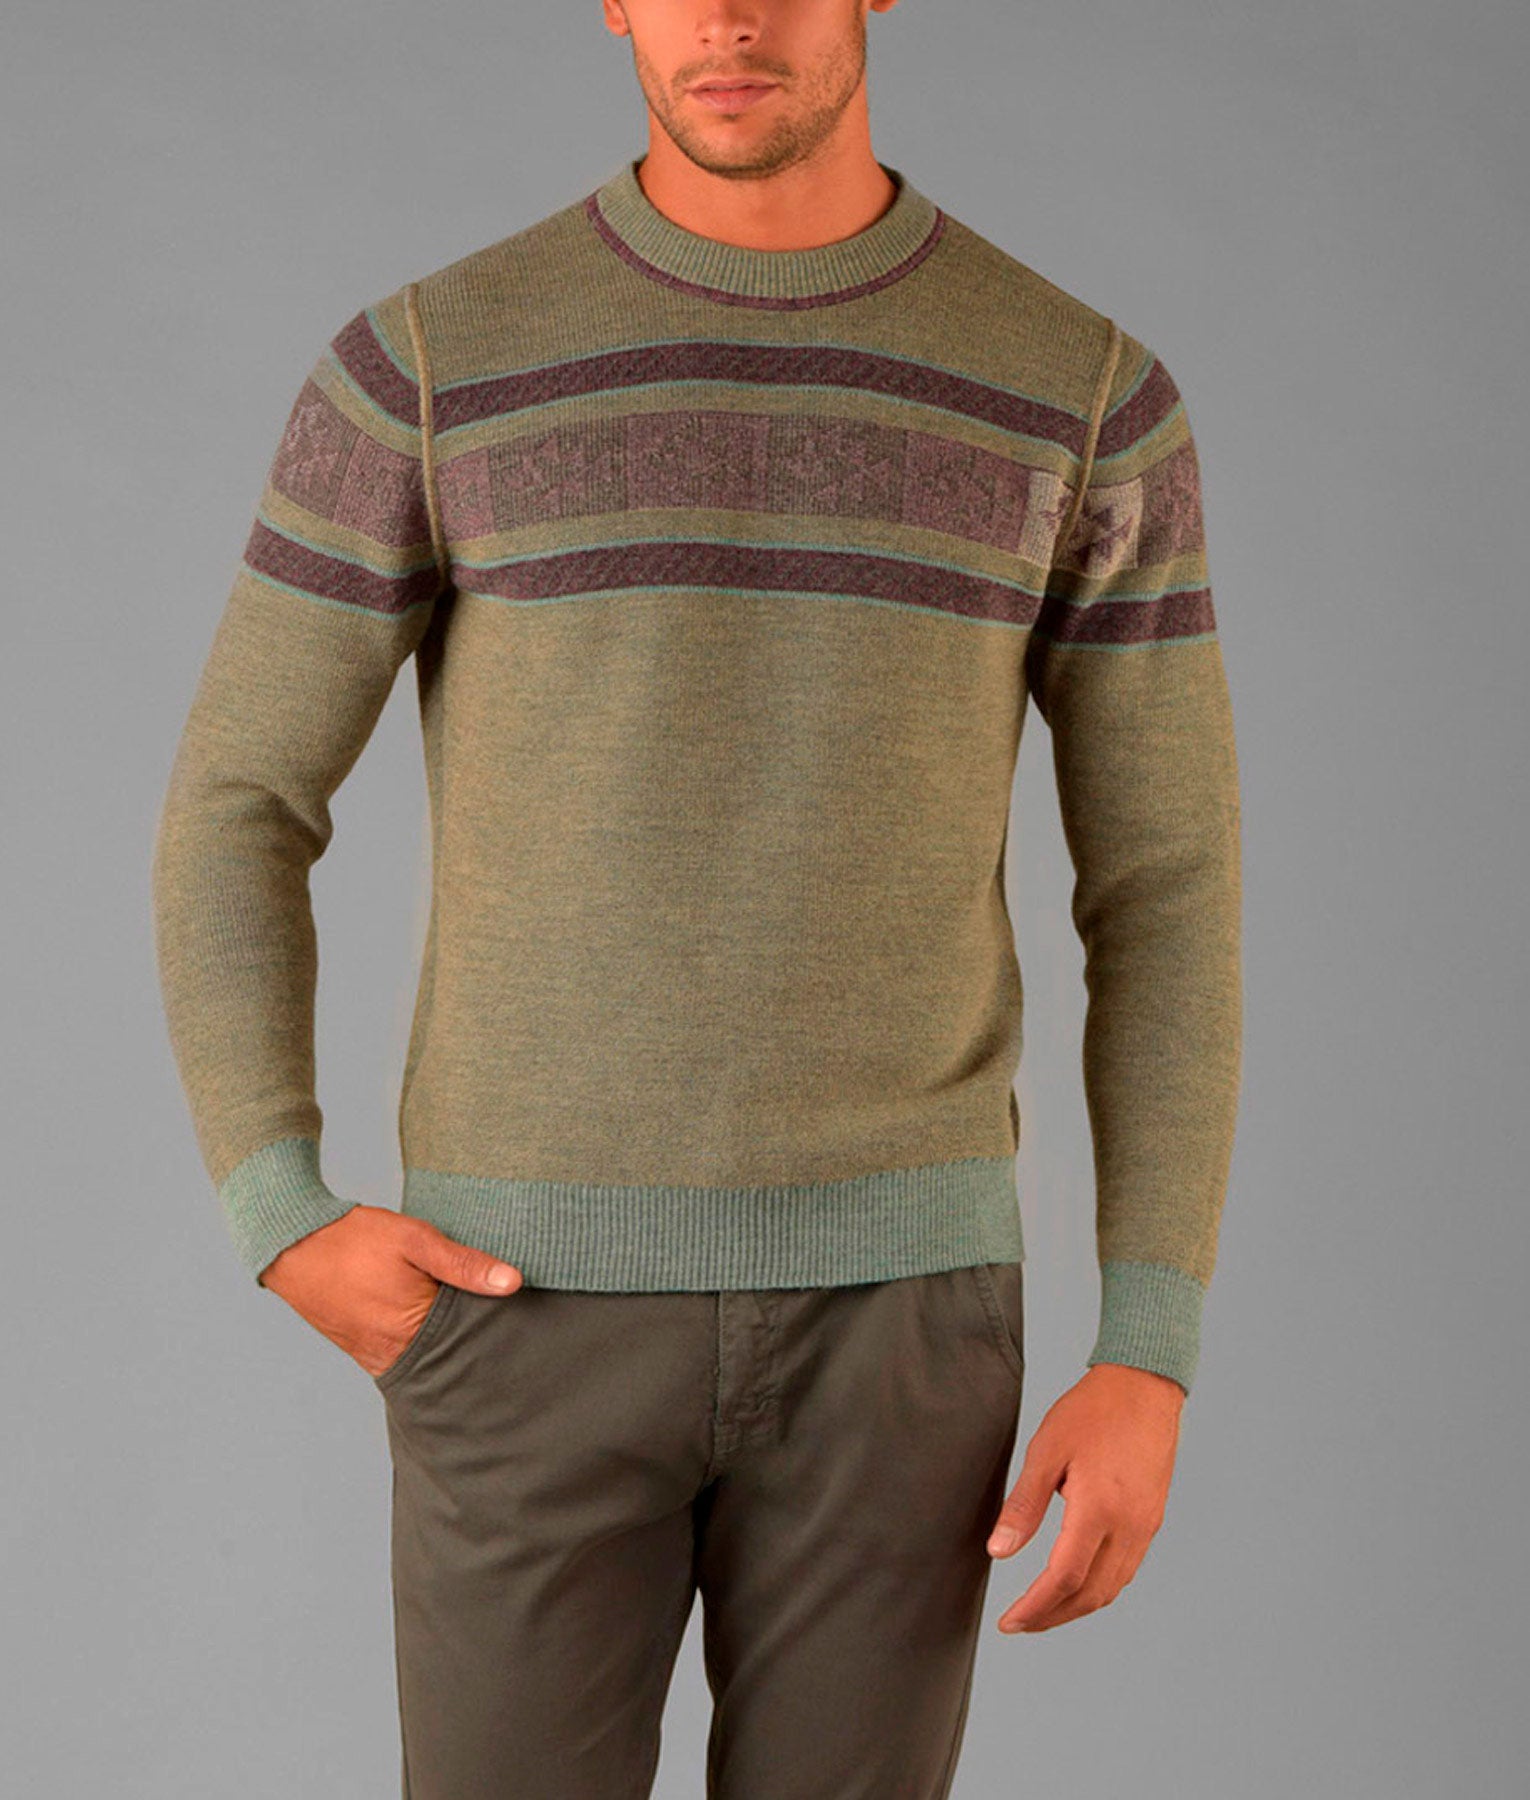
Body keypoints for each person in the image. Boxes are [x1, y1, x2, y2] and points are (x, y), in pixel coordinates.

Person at [150, 1, 1242, 1793]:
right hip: (517, 1312)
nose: (727, 16)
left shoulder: (1084, 391)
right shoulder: (426, 364)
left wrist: (1150, 1347)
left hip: (903, 1329)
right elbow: (234, 803)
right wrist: (279, 1210)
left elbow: (1168, 886)